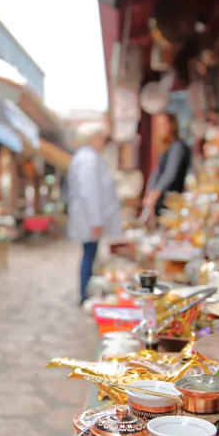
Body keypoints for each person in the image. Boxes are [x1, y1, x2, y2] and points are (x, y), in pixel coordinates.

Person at [66, 125, 121, 305]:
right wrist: (96, 220)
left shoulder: (91, 158)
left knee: (91, 255)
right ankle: (85, 294)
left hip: (90, 218)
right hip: (89, 219)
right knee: (89, 255)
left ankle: (87, 292)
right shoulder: (87, 159)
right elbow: (90, 192)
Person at [143, 112, 191, 216]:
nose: (159, 129)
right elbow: (158, 171)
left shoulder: (177, 146)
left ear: (172, 126)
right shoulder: (166, 147)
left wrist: (154, 194)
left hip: (172, 201)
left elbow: (170, 173)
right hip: (163, 201)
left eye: (162, 125)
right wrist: (149, 191)